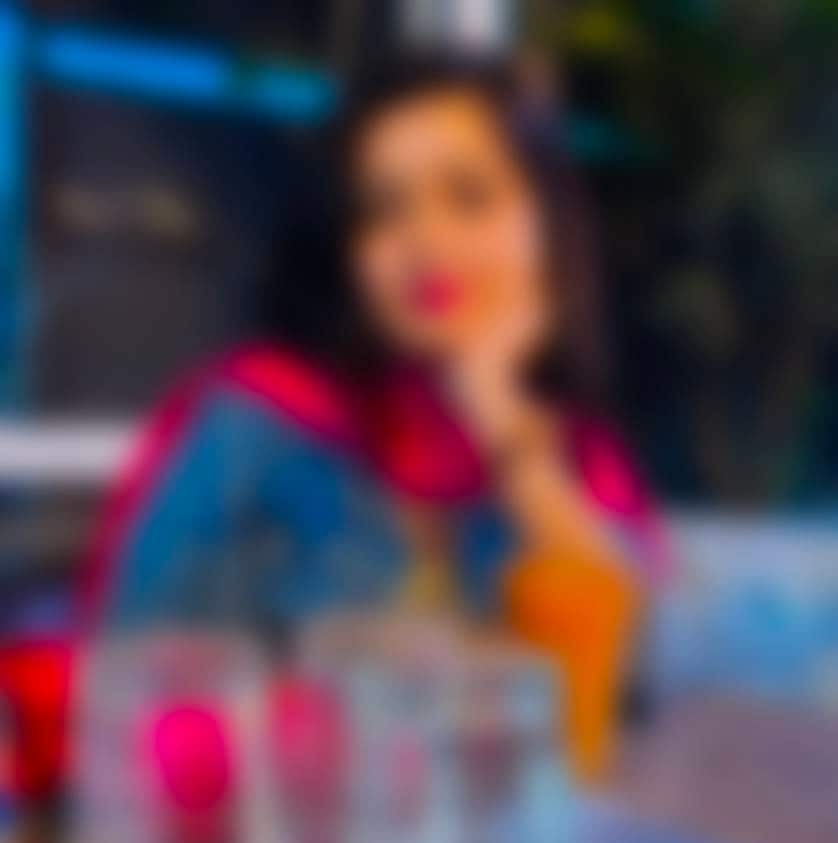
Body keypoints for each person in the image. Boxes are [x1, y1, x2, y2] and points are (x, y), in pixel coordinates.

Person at [81, 54, 666, 781]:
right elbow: (122, 696)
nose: (425, 239)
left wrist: (506, 430)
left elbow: (629, 702)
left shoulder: (574, 458)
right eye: (384, 211)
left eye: (469, 197)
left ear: (546, 224)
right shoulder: (258, 425)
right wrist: (352, 730)